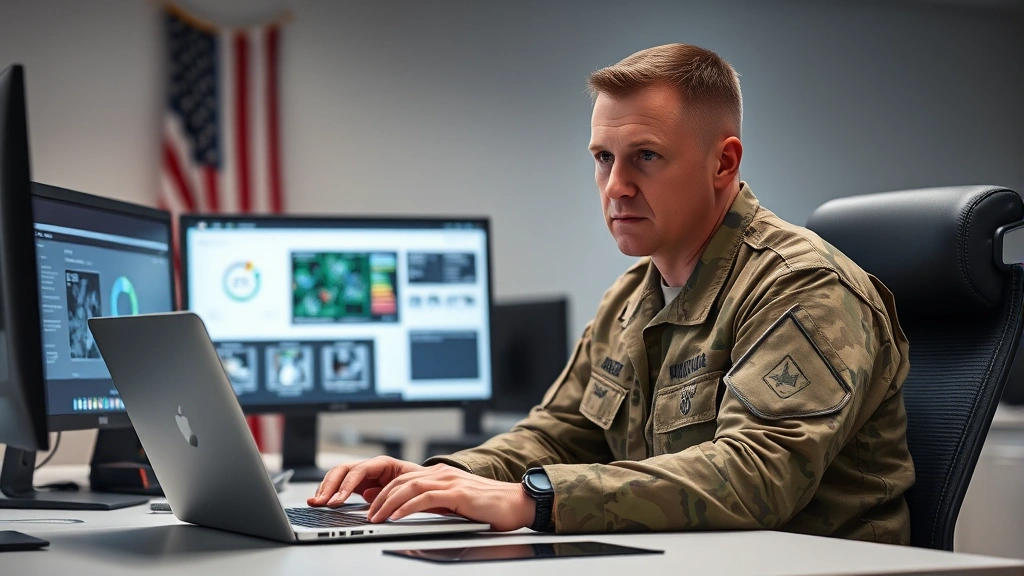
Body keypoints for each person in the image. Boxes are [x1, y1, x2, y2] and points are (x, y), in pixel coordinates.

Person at [308, 43, 915, 544]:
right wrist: (444, 476)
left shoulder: (801, 288)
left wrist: (537, 499)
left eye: (646, 157)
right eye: (603, 158)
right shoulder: (632, 296)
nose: (616, 186)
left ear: (723, 163)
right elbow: (555, 434)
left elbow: (755, 476)